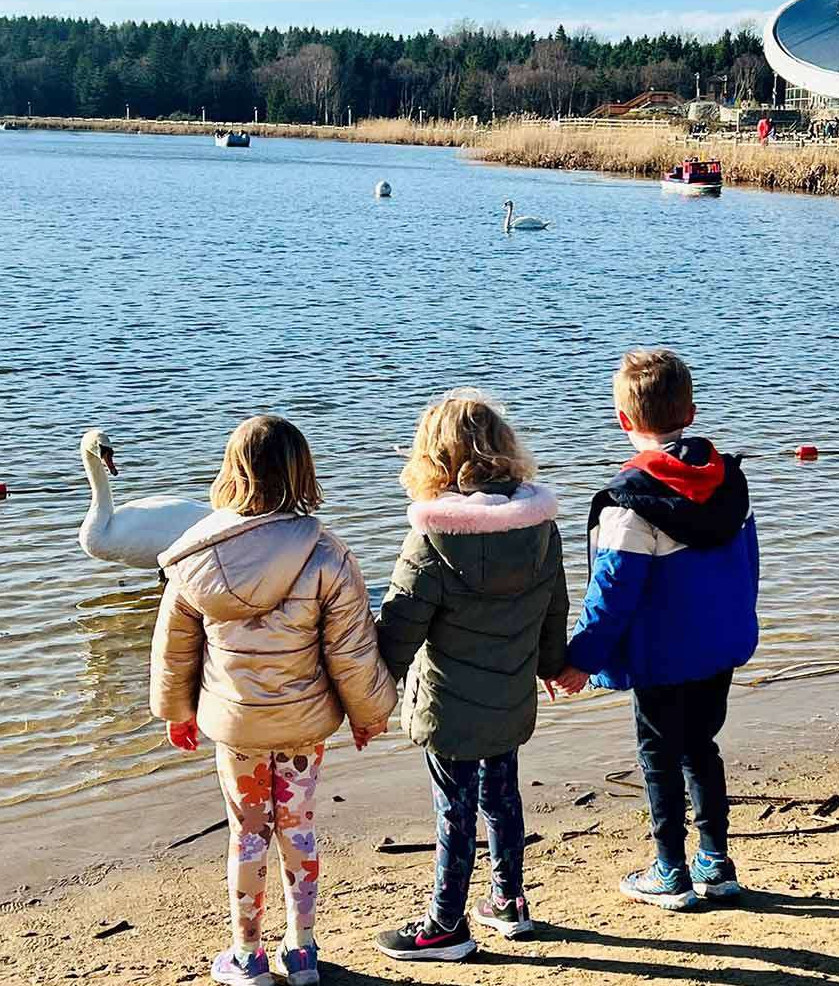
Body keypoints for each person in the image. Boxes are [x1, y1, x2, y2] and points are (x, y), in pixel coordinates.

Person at [150, 415, 397, 986]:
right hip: (304, 725)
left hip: (235, 726)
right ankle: (303, 951)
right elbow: (352, 652)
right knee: (299, 827)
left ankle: (247, 956)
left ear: (231, 472)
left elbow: (175, 651)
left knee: (247, 832)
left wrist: (179, 712)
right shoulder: (327, 554)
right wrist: (369, 714)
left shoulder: (194, 556)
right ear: (301, 471)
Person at [553, 350, 759, 911]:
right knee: (701, 746)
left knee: (658, 755)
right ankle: (716, 863)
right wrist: (742, 623)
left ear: (623, 420)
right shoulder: (729, 481)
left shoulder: (629, 505)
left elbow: (612, 591)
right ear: (689, 412)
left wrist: (581, 657)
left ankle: (670, 869)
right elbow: (749, 566)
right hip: (720, 645)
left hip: (662, 658)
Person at [373, 390, 568, 961]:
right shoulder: (539, 529)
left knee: (453, 809)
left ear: (432, 461)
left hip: (447, 706)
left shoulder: (433, 539)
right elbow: (553, 610)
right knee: (502, 796)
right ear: (504, 449)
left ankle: (445, 924)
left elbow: (398, 635)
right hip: (510, 695)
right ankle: (509, 901)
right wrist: (554, 666)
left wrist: (367, 694)